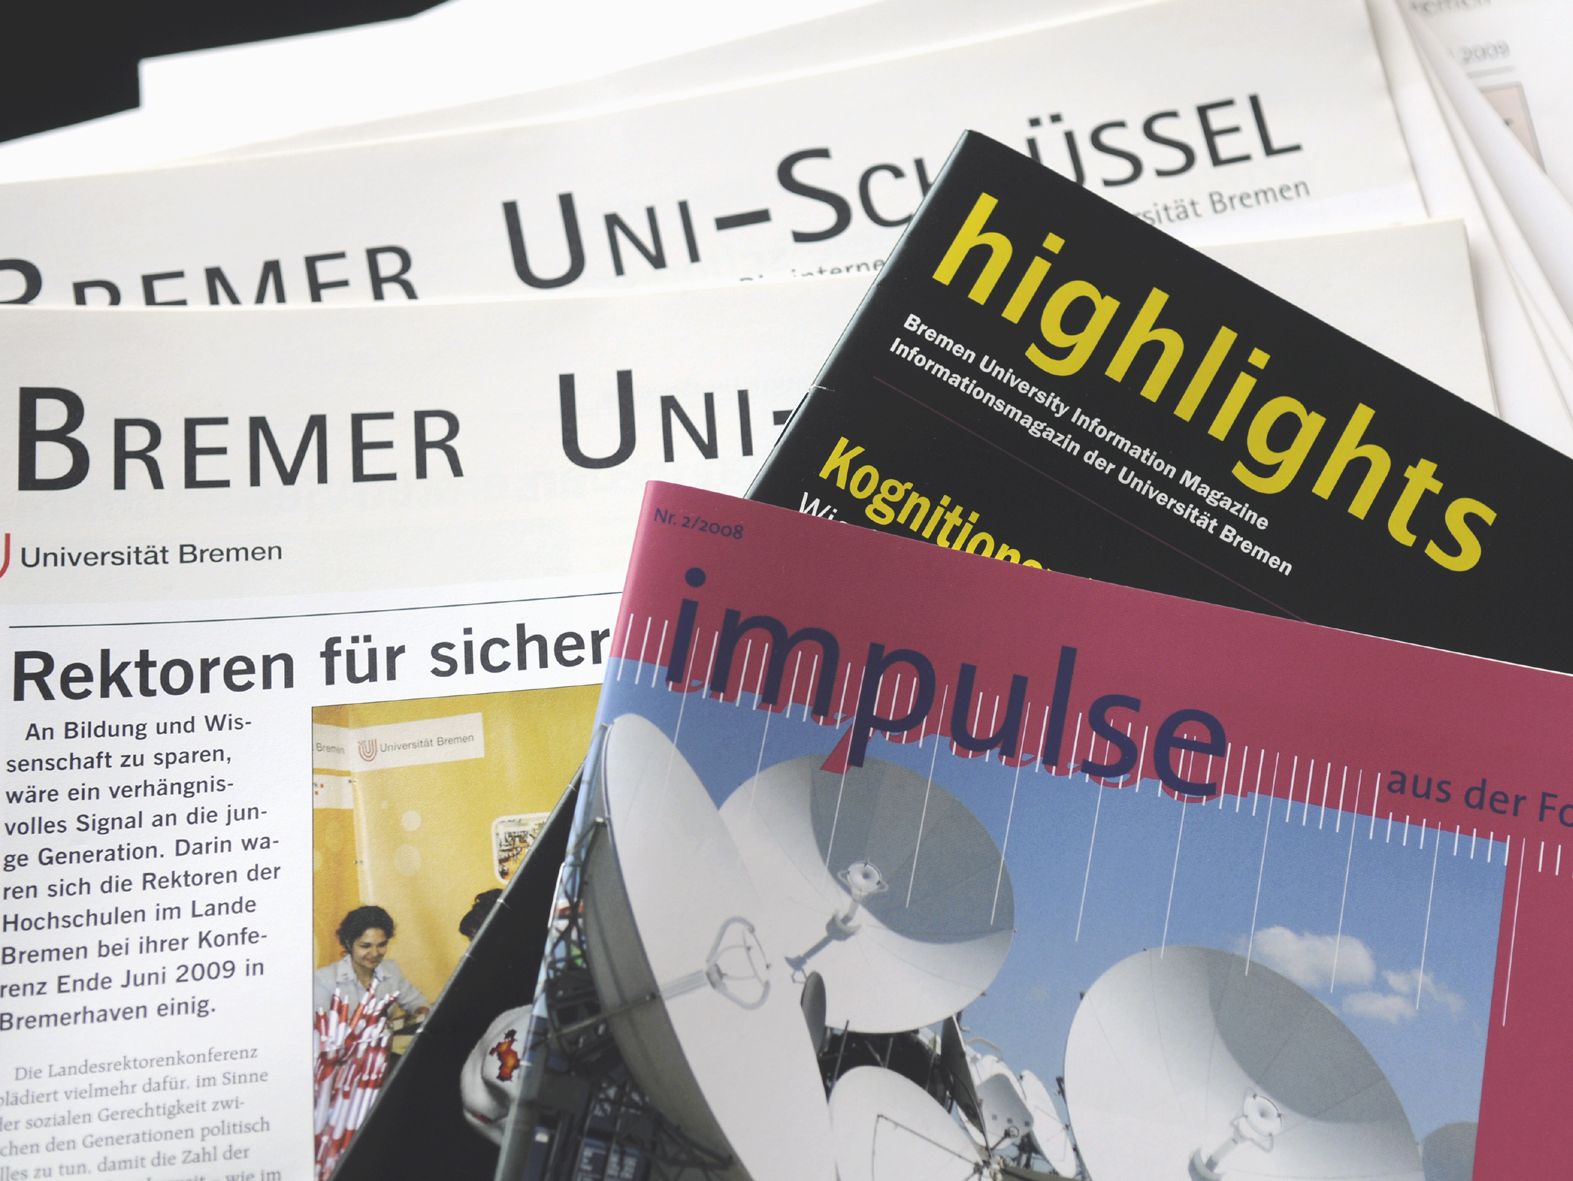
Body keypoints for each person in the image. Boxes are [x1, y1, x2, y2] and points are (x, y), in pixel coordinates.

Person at [312, 905, 430, 1178]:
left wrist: (420, 1013)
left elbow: (419, 1004)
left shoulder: (391, 971)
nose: (375, 953)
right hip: (341, 1078)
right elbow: (320, 1042)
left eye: (381, 944)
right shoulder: (325, 981)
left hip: (381, 1067)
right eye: (365, 946)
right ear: (348, 943)